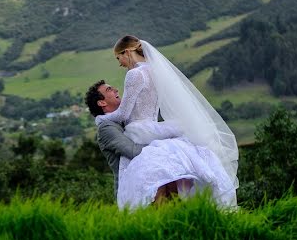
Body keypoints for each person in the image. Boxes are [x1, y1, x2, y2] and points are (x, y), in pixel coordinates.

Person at [86, 35, 238, 210]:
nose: (119, 63)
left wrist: (101, 118)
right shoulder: (154, 71)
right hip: (154, 127)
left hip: (140, 130)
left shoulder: (134, 74)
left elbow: (123, 114)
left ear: (127, 52)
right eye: (109, 90)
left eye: (118, 57)